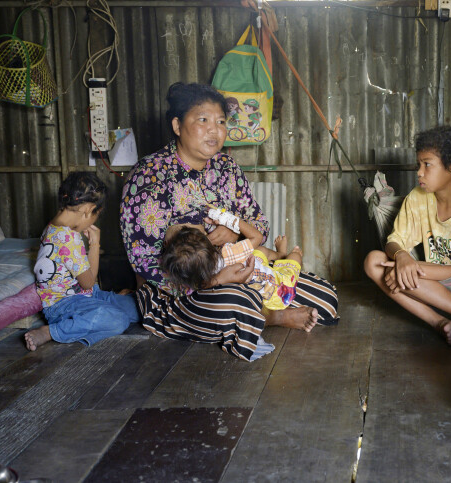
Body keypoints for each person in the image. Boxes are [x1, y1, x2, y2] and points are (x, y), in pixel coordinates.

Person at [120, 82, 338, 361]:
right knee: (236, 303)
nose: (215, 130)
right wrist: (212, 279)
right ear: (177, 125)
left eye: (221, 121)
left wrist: (233, 233)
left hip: (240, 267)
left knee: (326, 298)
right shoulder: (149, 175)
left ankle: (256, 309)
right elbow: (144, 261)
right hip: (176, 291)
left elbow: (258, 223)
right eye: (203, 120)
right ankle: (270, 317)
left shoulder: (226, 168)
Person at [363, 125, 451, 345]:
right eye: (419, 164)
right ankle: (441, 323)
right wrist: (401, 257)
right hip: (430, 288)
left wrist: (412, 269)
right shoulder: (418, 198)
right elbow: (394, 241)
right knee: (373, 261)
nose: (419, 172)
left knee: (400, 272)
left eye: (427, 164)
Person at [26, 172, 139, 351]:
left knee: (137, 306)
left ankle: (106, 306)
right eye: (97, 215)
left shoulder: (53, 226)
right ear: (88, 210)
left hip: (86, 296)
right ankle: (53, 332)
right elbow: (87, 282)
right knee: (119, 320)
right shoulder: (69, 238)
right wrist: (95, 244)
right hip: (63, 305)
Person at [161, 225, 302, 311]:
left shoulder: (202, 280)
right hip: (281, 291)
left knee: (258, 252)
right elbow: (257, 236)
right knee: (295, 256)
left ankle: (279, 254)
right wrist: (229, 219)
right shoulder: (230, 251)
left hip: (257, 276)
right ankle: (284, 255)